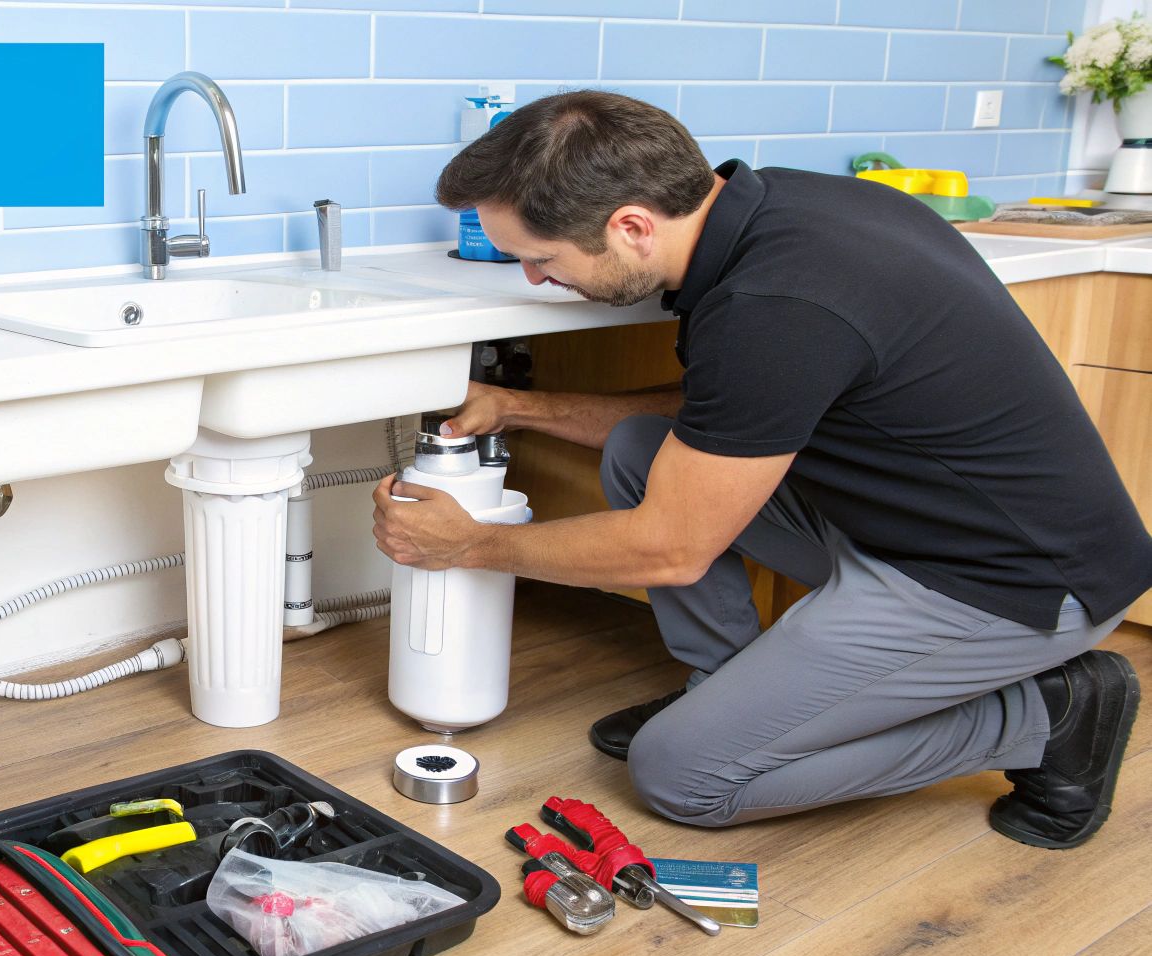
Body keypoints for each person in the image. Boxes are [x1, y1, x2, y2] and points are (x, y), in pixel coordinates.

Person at [372, 90, 1149, 848]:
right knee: (646, 448)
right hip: (908, 524)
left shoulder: (775, 305)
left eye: (540, 259)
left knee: (682, 775)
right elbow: (732, 417)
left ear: (632, 226)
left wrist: (468, 545)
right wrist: (518, 408)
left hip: (1008, 583)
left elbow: (670, 550)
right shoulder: (789, 210)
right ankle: (729, 693)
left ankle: (1050, 715)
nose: (535, 280)